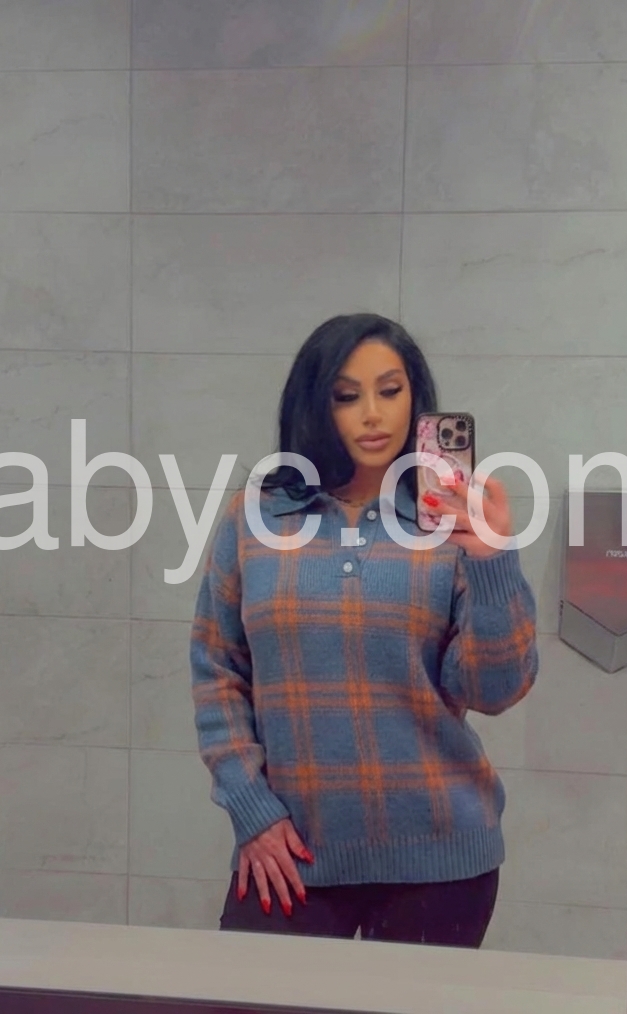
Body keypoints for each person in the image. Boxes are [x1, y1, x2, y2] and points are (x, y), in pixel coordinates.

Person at [190, 313, 538, 947]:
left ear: (415, 398)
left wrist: (493, 560)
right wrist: (251, 810)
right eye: (346, 396)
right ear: (314, 407)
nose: (373, 414)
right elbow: (217, 673)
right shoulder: (255, 517)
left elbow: (494, 690)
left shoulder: (449, 522)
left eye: (390, 390)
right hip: (288, 855)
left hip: (439, 860)